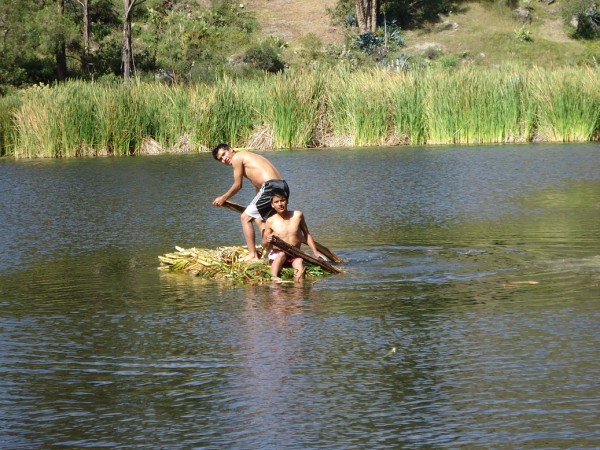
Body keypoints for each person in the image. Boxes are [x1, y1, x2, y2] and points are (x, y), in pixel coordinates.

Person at [212, 143, 289, 261]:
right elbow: (258, 182)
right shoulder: (247, 155)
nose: (224, 159)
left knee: (245, 218)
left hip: (271, 186)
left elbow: (238, 185)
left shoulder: (237, 157)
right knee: (260, 219)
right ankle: (271, 251)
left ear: (230, 150)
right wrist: (256, 204)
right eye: (220, 159)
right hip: (282, 186)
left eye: (224, 154)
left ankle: (252, 255)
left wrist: (223, 198)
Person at [261, 188, 325, 284]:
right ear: (272, 205)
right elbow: (264, 244)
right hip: (278, 255)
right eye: (276, 202)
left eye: (282, 200)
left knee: (299, 261)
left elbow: (306, 234)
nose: (280, 204)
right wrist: (268, 240)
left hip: (294, 254)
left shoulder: (298, 215)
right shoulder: (270, 221)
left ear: (287, 201)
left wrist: (315, 252)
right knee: (282, 255)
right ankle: (274, 280)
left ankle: (298, 288)